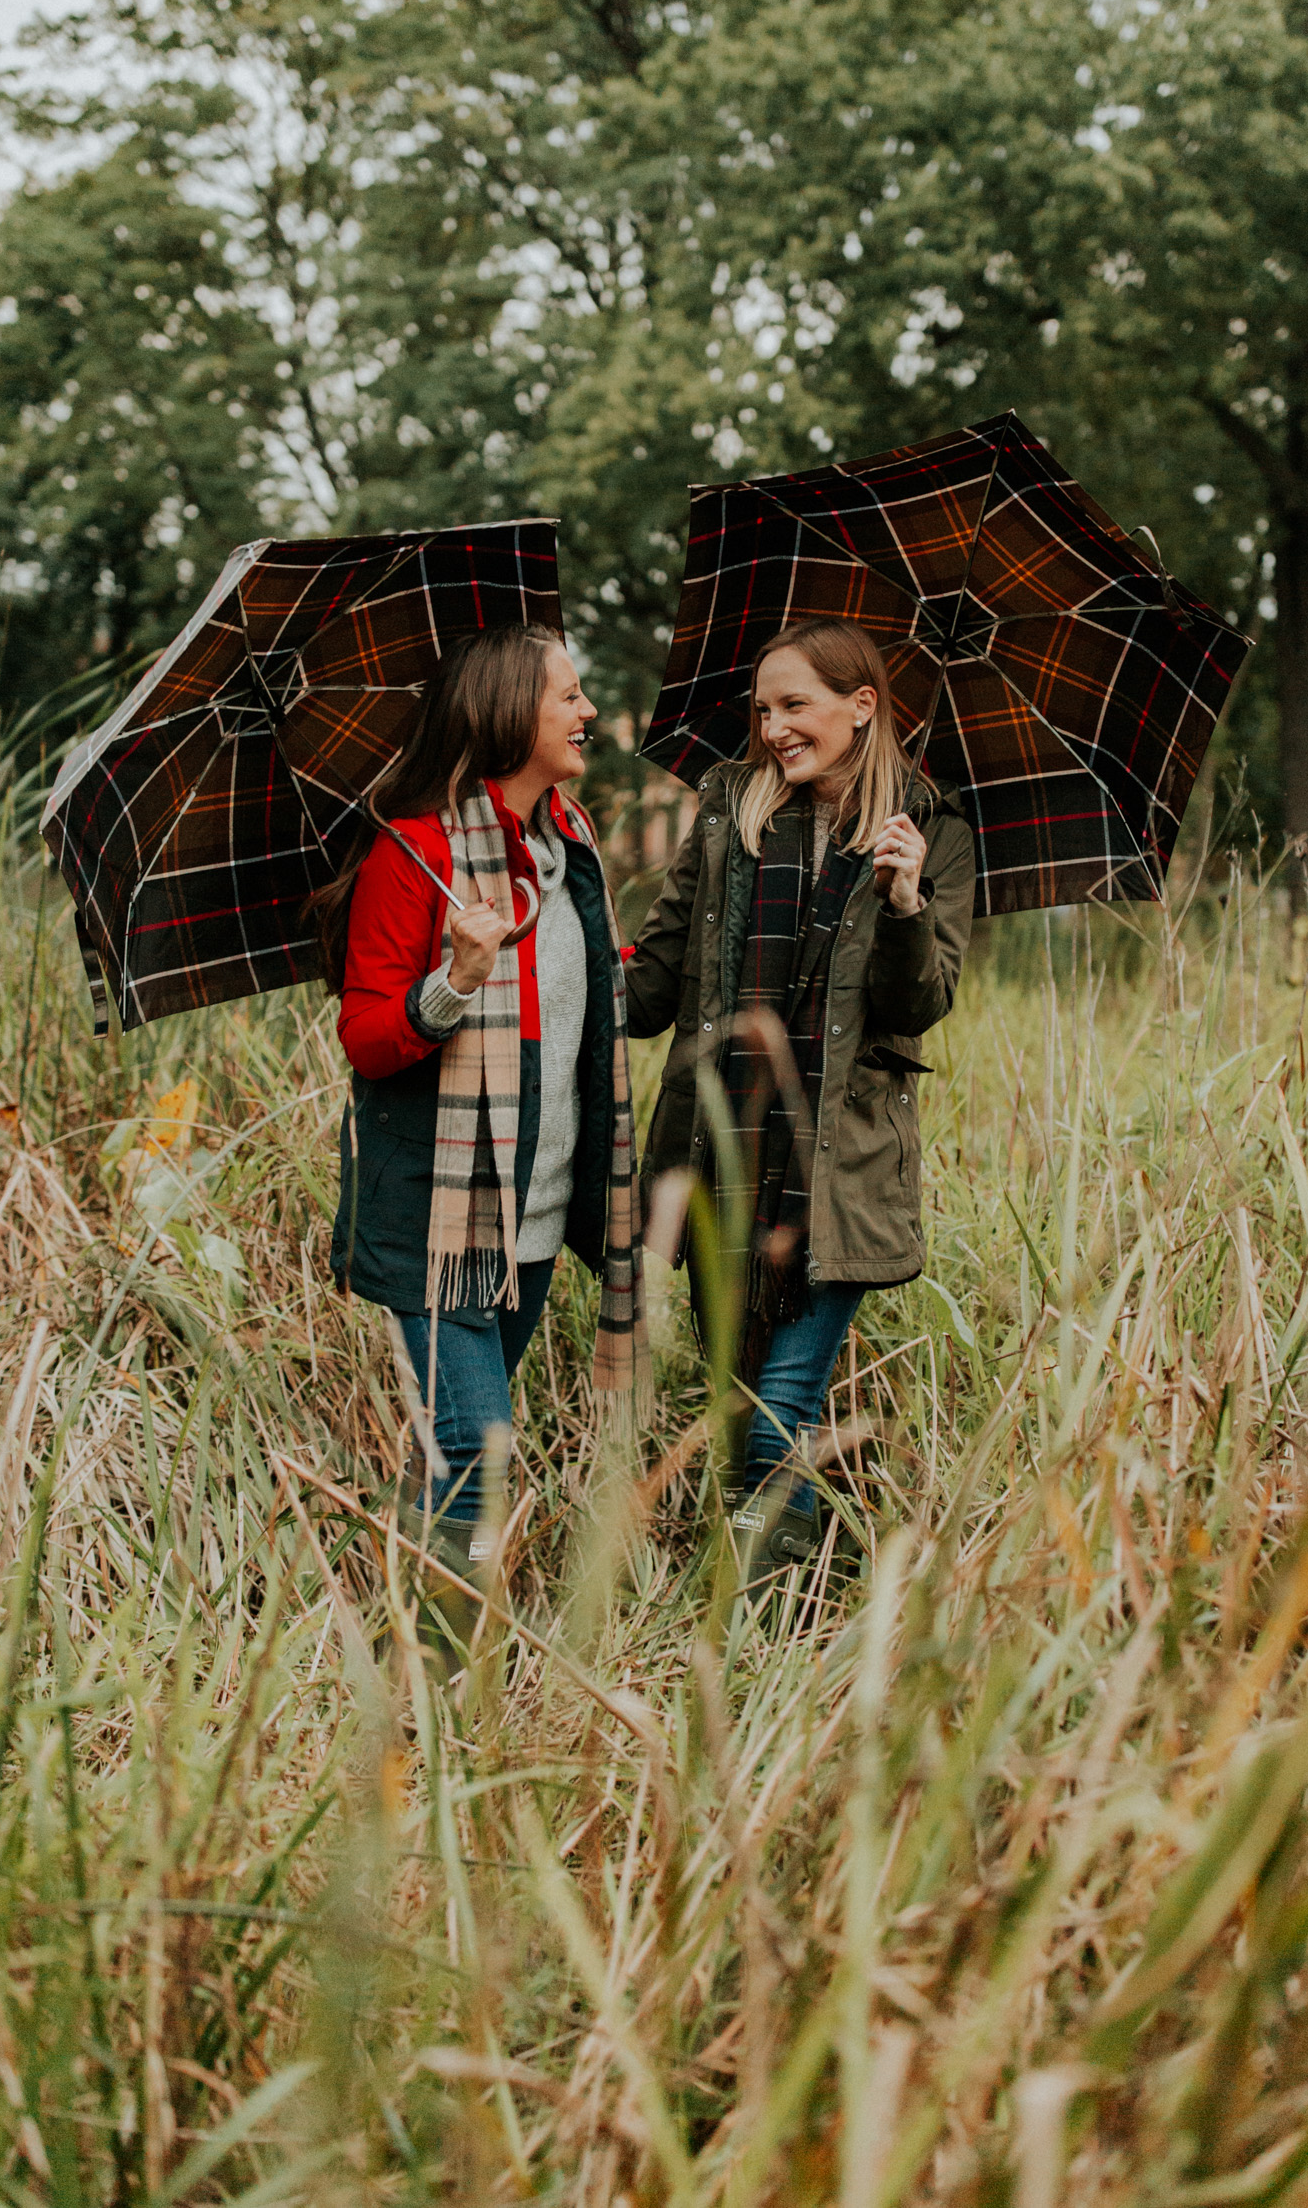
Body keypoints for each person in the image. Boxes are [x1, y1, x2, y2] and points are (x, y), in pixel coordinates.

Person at [624, 618, 975, 1595]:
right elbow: (651, 986)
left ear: (862, 706)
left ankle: (756, 1630)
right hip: (722, 1150)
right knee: (744, 1406)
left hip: (841, 1168)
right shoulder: (726, 813)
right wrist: (529, 958)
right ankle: (816, 1608)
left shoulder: (933, 830)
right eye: (763, 709)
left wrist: (904, 902)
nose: (774, 727)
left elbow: (923, 1004)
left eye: (796, 706)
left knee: (778, 1401)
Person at [313, 624, 646, 1646]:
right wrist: (455, 978)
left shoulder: (569, 842)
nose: (587, 712)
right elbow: (368, 1038)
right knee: (481, 1443)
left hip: (534, 1214)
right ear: (509, 712)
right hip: (435, 1215)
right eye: (568, 695)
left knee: (448, 1452)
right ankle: (450, 1688)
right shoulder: (411, 852)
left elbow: (576, 999)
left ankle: (398, 1636)